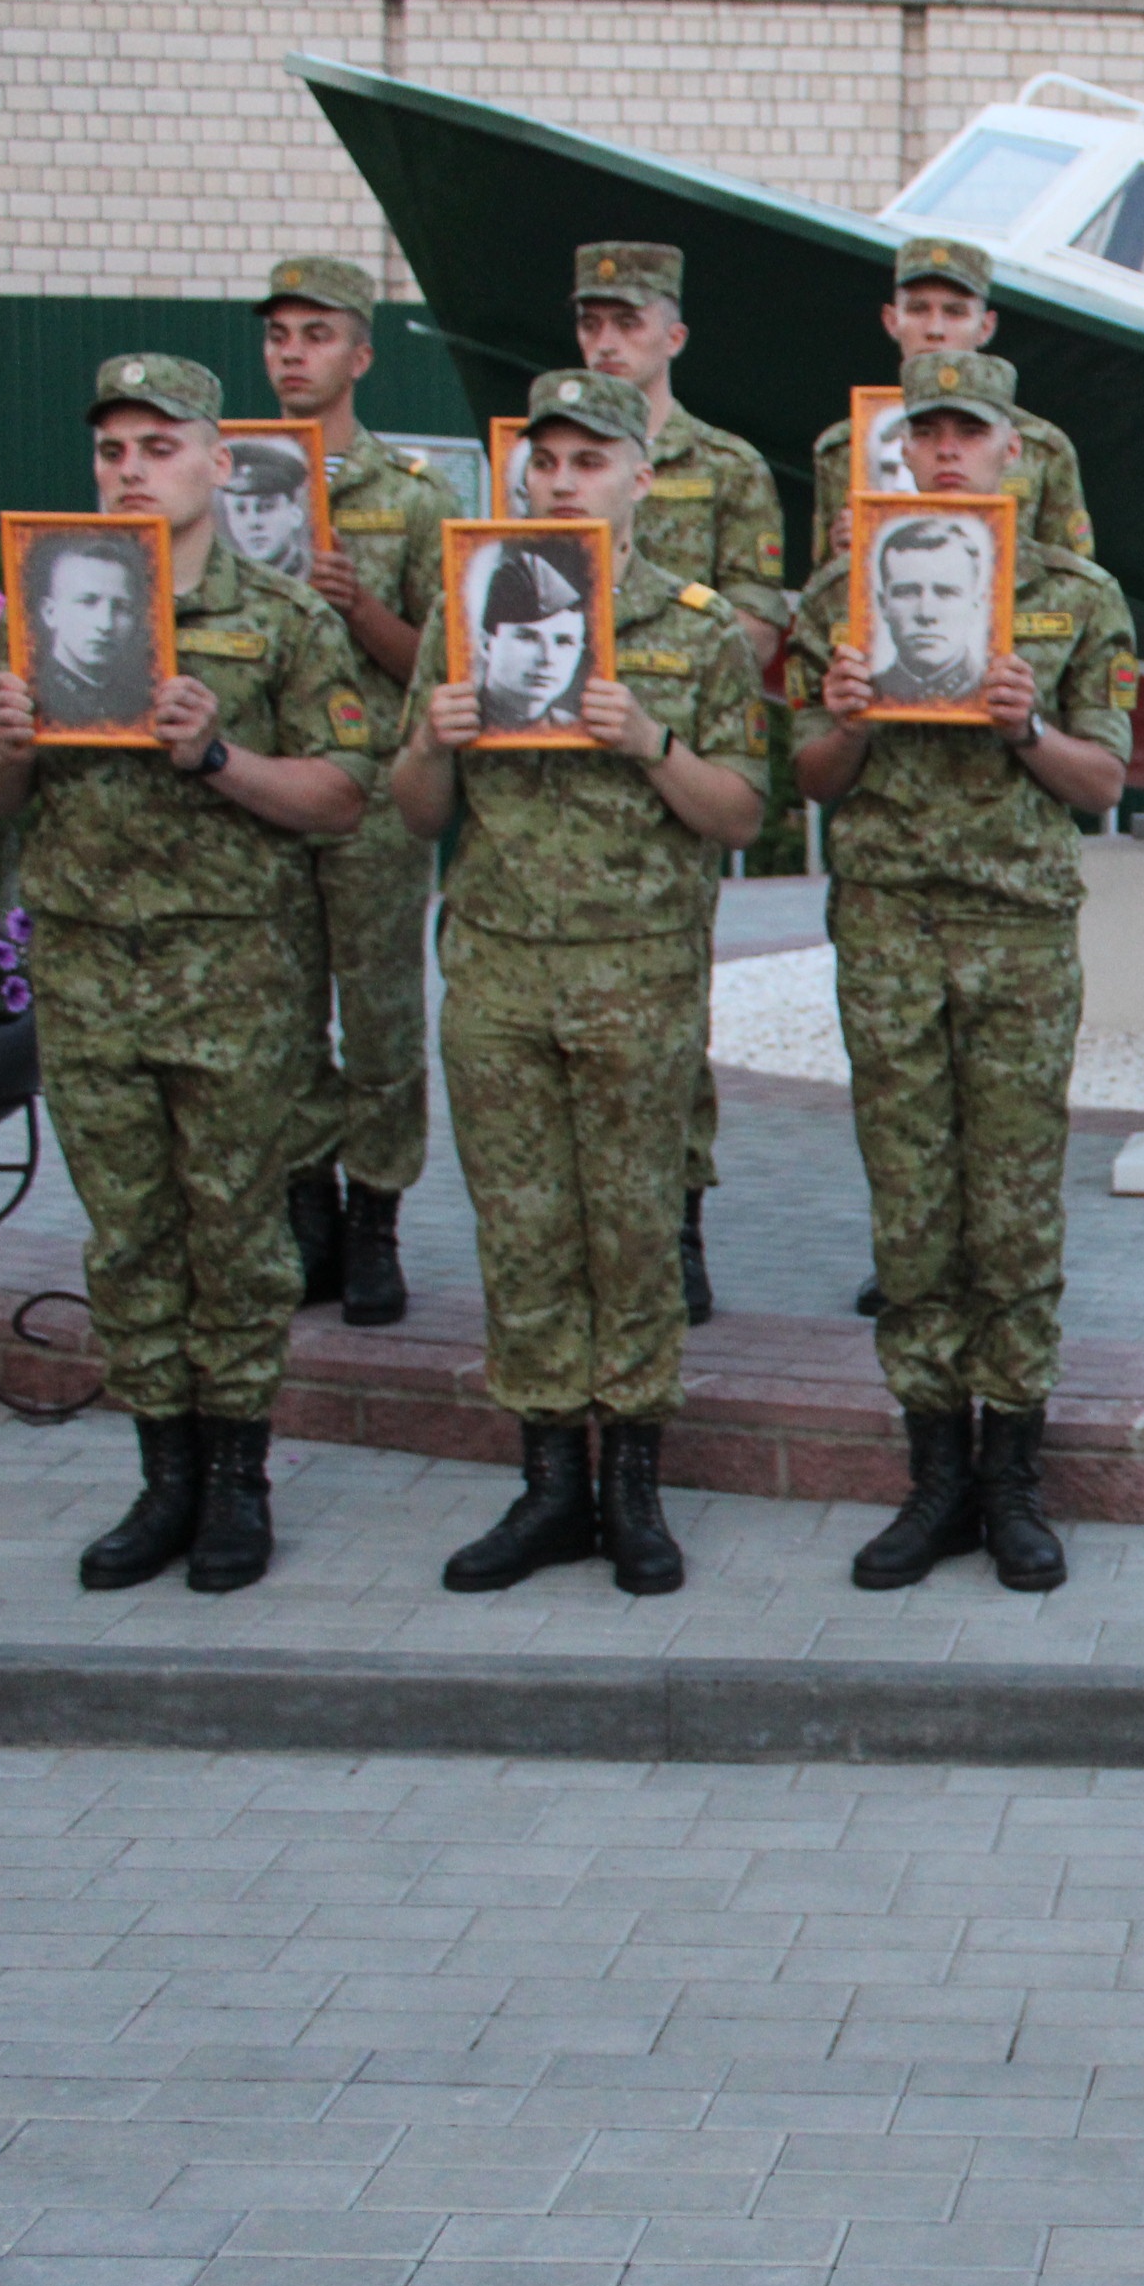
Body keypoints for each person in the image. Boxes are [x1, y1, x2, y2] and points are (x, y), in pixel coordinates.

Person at [0, 354, 377, 1595]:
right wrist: (7, 741)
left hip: (232, 982)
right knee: (130, 1239)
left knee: (239, 1243)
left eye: (157, 447)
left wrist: (217, 756)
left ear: (217, 461)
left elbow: (344, 797)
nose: (132, 471)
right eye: (112, 452)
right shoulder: (45, 602)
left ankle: (238, 1485)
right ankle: (162, 1480)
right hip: (89, 974)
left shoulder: (287, 620)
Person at [390, 370, 769, 1598]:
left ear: (640, 478)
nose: (562, 481)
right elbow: (414, 813)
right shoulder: (468, 614)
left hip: (636, 976)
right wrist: (432, 743)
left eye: (588, 461)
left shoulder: (698, 629)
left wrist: (646, 740)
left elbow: (744, 812)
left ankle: (635, 1492)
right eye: (544, 462)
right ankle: (549, 1484)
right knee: (522, 1233)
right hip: (498, 971)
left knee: (632, 1233)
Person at [790, 350, 1135, 1594]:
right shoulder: (843, 589)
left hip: (1016, 929)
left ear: (1014, 451)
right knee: (912, 1202)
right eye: (925, 434)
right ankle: (933, 1471)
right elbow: (808, 785)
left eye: (968, 435)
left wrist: (1025, 724)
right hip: (887, 925)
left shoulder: (1079, 597)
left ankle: (1014, 1474)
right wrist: (846, 720)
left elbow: (1104, 782)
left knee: (1015, 1201)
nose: (945, 453)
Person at [570, 239, 786, 1326]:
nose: (608, 341)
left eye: (627, 322)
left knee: (670, 1009)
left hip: (677, 757)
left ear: (672, 335)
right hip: (556, 774)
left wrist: (659, 651)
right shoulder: (550, 452)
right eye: (592, 323)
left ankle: (682, 1213)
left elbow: (755, 617)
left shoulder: (729, 465)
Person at [254, 254, 453, 1330]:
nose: (294, 353)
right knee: (283, 1015)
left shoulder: (412, 498)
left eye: (316, 334)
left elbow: (446, 655)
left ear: (360, 354)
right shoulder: (226, 476)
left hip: (375, 789)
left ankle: (376, 1219)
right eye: (279, 335)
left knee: (378, 1019)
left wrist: (360, 608)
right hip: (267, 787)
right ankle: (309, 1210)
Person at [809, 238, 1099, 564]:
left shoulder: (1043, 447)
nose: (935, 330)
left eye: (955, 312)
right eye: (918, 309)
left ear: (985, 326)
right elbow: (822, 590)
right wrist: (841, 558)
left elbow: (1074, 582)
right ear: (892, 321)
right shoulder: (843, 448)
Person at [24, 531, 157, 727]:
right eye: (87, 602)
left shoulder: (141, 702)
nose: (105, 624)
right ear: (50, 613)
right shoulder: (30, 693)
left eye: (121, 607)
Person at [866, 514, 996, 704]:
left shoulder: (994, 693)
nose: (926, 613)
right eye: (907, 593)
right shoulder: (866, 693)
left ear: (976, 606)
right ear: (883, 604)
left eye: (946, 593)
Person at [472, 545, 594, 728]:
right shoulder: (456, 722)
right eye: (528, 638)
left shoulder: (575, 730)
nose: (547, 658)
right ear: (486, 644)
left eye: (564, 642)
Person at [217, 445, 316, 578]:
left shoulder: (314, 574)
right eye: (240, 510)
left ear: (295, 515)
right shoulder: (220, 579)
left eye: (267, 507)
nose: (253, 522)